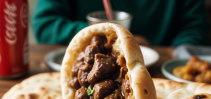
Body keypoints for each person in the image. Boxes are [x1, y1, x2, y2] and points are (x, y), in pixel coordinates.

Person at [32, 0, 210, 46]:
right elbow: (46, 24)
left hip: (162, 73)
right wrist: (104, 37)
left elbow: (194, 27)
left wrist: (177, 54)